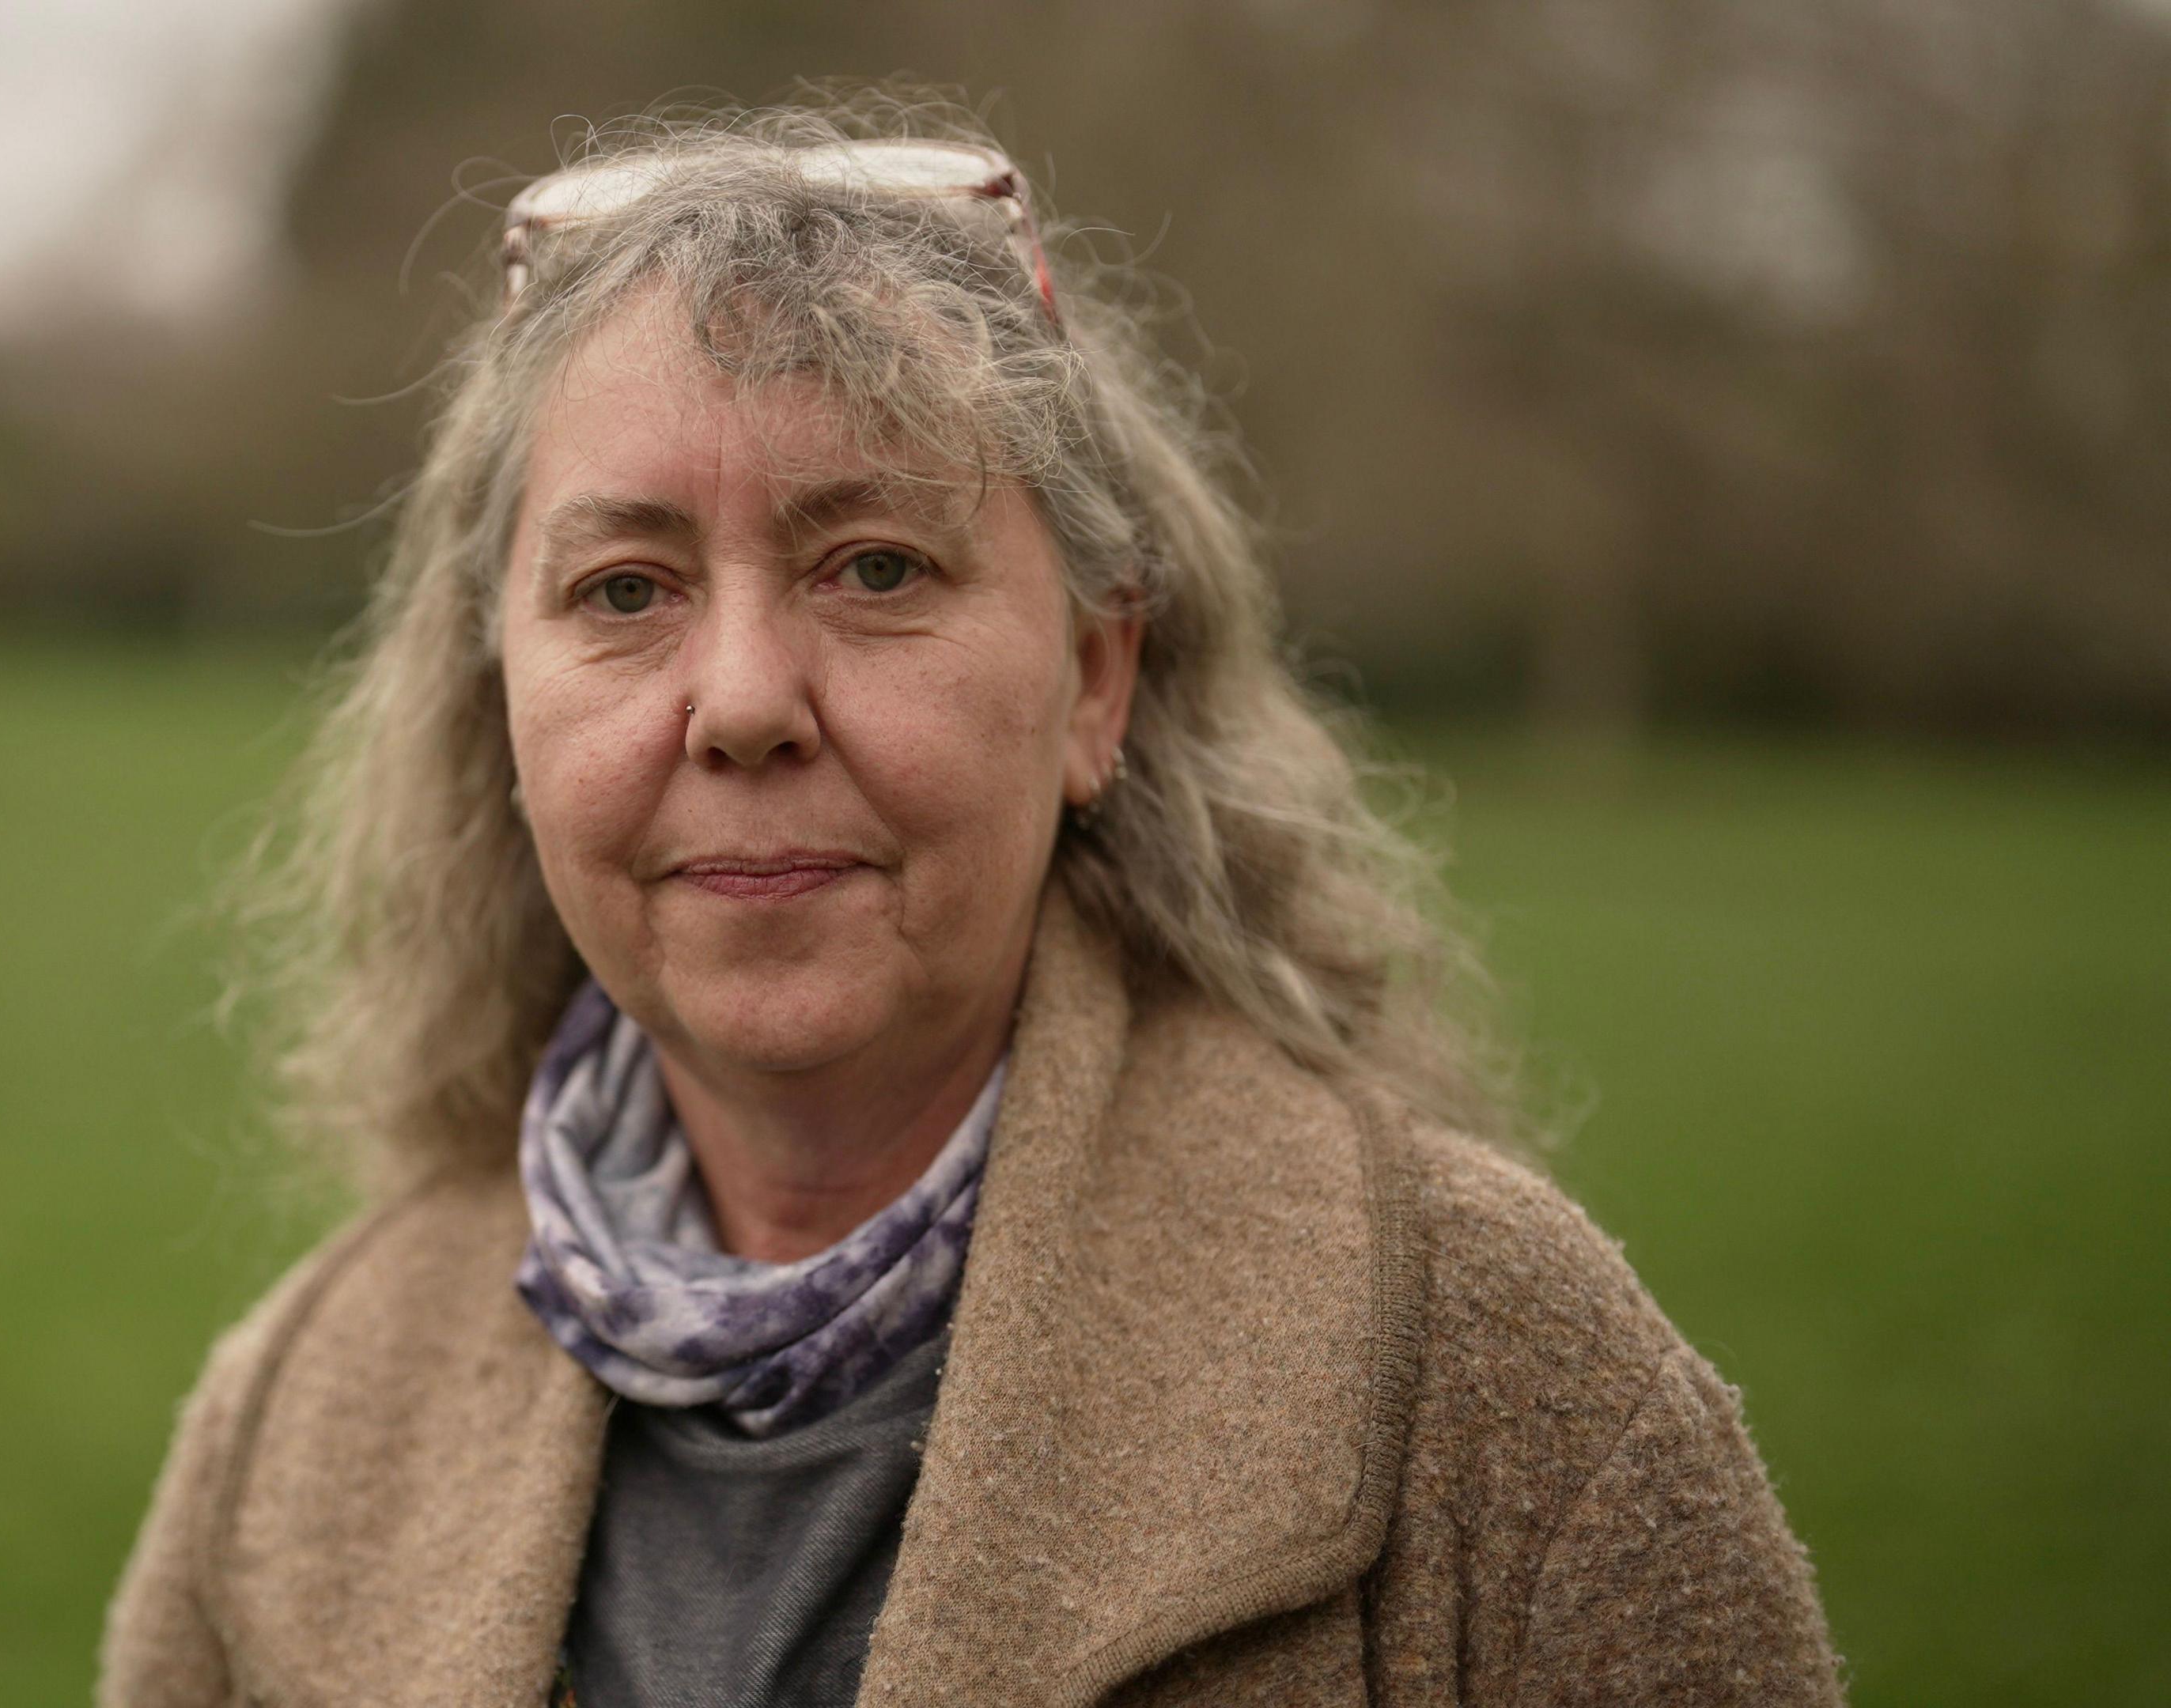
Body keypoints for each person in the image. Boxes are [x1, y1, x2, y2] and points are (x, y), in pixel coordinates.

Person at [101, 96, 1841, 1708]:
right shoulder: (293, 1421)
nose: (743, 700)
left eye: (876, 565)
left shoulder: (1494, 1367)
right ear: (502, 700)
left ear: (1095, 682)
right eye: (623, 588)